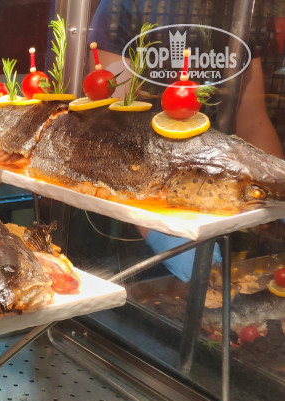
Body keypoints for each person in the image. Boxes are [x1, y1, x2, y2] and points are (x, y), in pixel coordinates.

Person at [86, 0, 283, 281]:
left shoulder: (241, 9)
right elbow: (114, 125)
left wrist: (278, 186)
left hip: (217, 198)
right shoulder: (127, 5)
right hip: (135, 219)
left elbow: (253, 120)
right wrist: (159, 228)